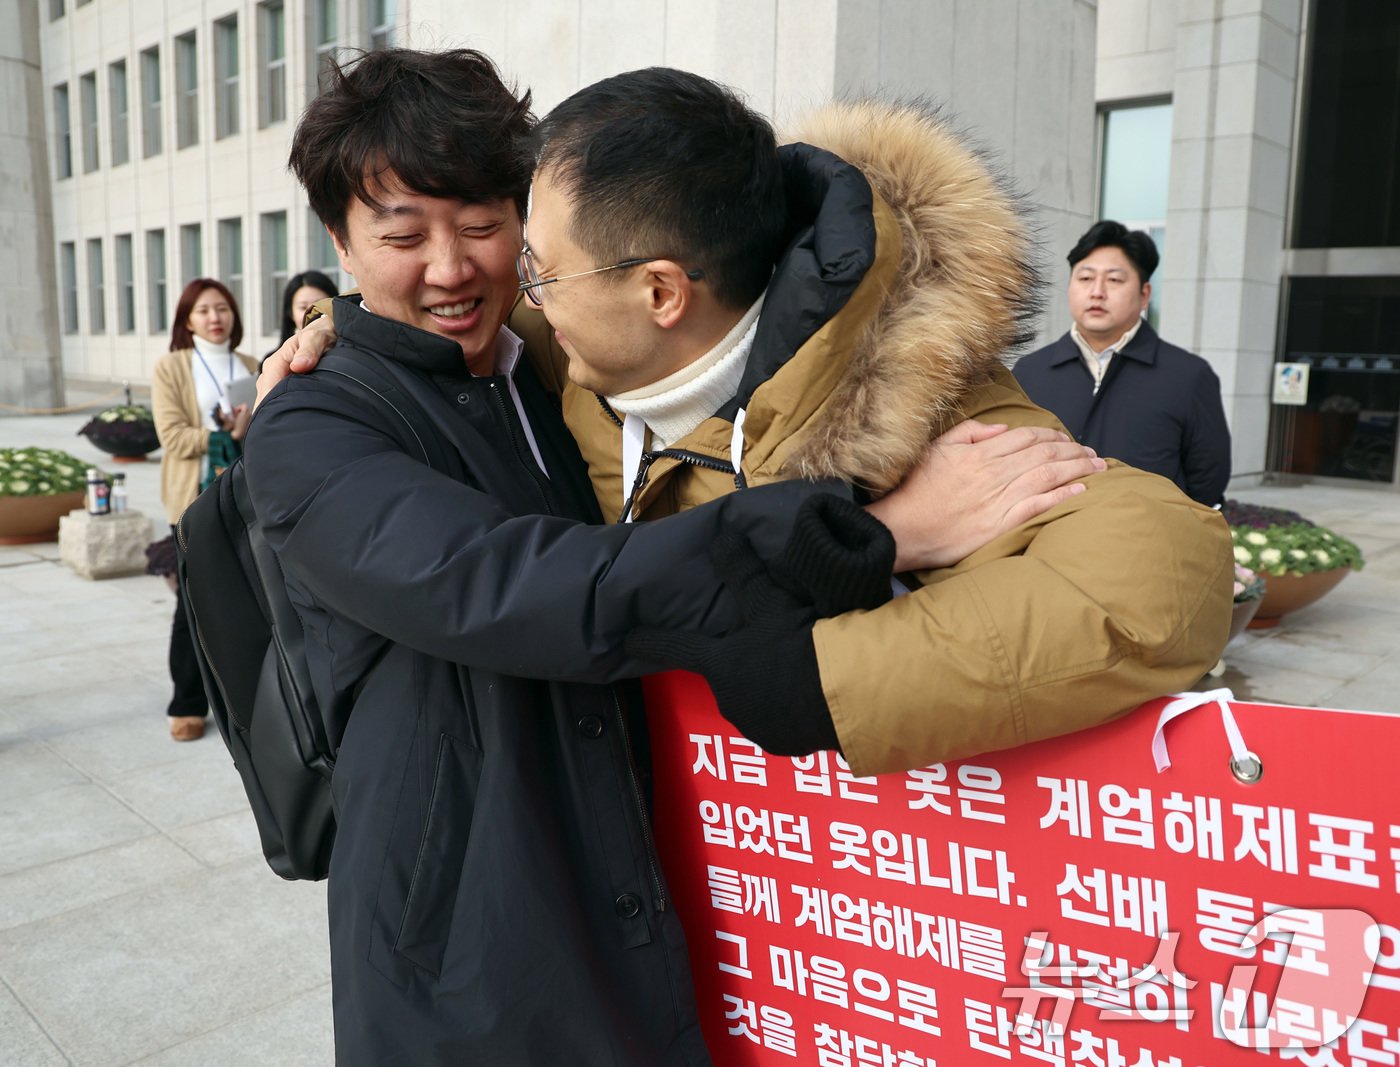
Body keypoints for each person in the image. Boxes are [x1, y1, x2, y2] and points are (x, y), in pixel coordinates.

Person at [244, 48, 1060, 1065]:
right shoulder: (310, 424)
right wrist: (880, 530)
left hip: (627, 862)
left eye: (485, 227)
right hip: (461, 929)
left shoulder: (549, 365)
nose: (450, 268)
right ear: (339, 239)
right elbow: (510, 585)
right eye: (401, 235)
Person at [274, 69, 1234, 778]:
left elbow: (1162, 576)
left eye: (529, 262)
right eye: (403, 240)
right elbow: (494, 572)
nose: (488, 283)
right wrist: (341, 333)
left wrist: (805, 676)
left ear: (660, 291)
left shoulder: (907, 383)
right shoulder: (559, 354)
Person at [1013, 220, 1233, 507]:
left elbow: (1207, 482)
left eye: (1115, 280)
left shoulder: (1188, 376)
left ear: (1144, 295)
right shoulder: (1029, 372)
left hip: (1147, 543)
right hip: (1045, 543)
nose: (1097, 292)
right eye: (1085, 278)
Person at [151, 279, 256, 741]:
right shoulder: (172, 367)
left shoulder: (251, 365)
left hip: (244, 496)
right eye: (204, 311)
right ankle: (187, 702)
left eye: (223, 309)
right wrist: (227, 434)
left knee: (248, 600)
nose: (216, 318)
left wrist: (248, 429)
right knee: (190, 604)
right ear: (187, 320)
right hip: (192, 500)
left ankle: (248, 701)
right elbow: (172, 436)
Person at [268, 270, 338, 356]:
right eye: (303, 307)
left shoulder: (350, 352)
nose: (311, 313)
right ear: (291, 313)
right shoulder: (274, 361)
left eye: (319, 305)